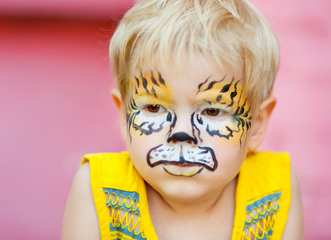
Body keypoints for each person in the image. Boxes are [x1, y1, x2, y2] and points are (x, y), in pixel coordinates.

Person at [62, 0, 304, 239]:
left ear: (256, 125)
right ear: (124, 116)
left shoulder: (275, 190)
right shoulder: (96, 191)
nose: (181, 133)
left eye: (212, 111)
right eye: (154, 107)